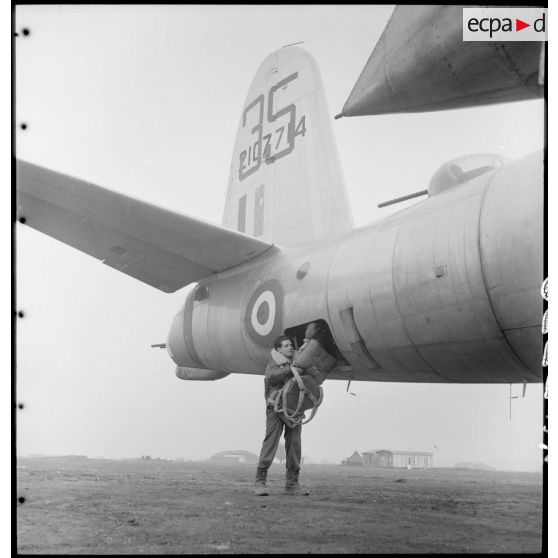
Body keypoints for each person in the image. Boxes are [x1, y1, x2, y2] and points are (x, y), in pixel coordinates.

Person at [253, 335, 314, 496]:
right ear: (278, 349)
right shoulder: (274, 362)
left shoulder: (299, 361)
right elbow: (271, 377)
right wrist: (292, 369)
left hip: (294, 409)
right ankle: (260, 481)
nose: (289, 348)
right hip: (276, 407)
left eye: (290, 345)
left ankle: (292, 484)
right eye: (285, 345)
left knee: (295, 445)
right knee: (271, 442)